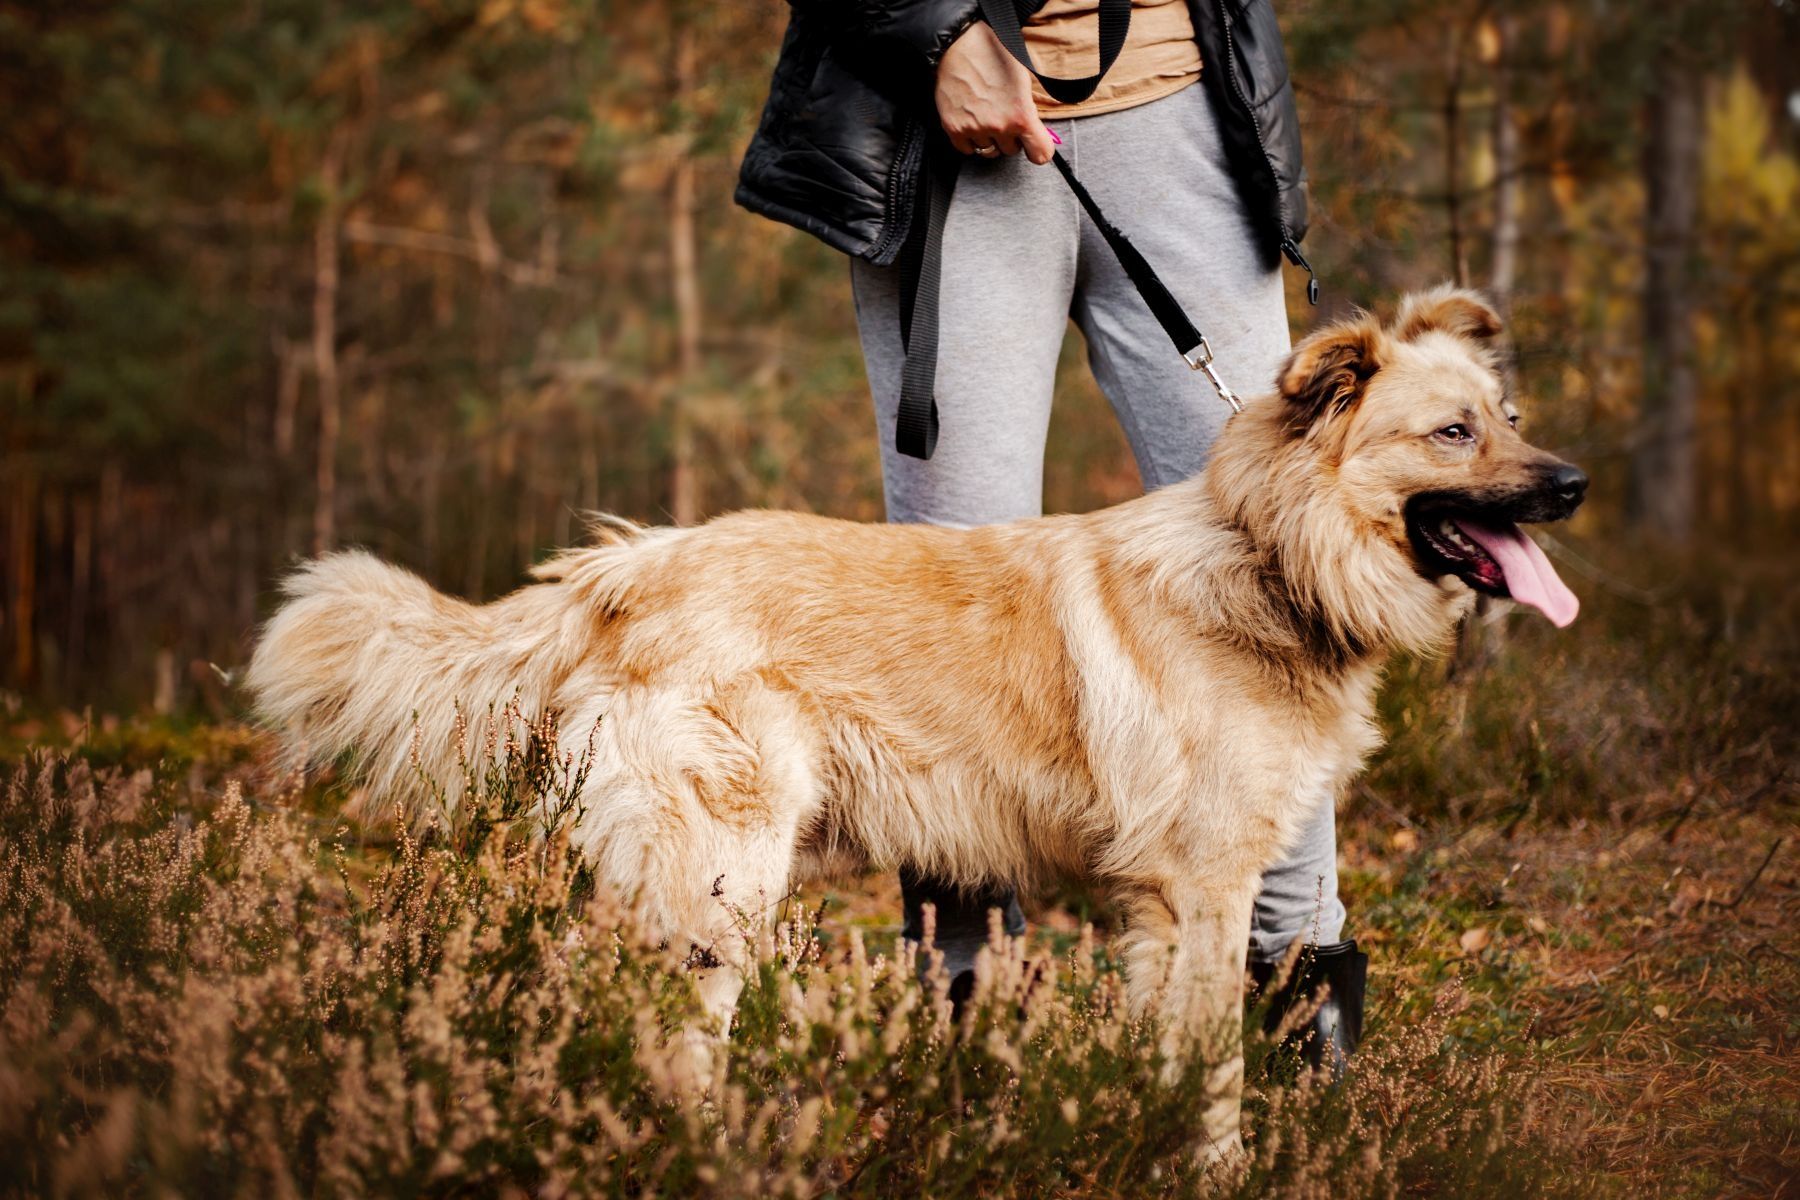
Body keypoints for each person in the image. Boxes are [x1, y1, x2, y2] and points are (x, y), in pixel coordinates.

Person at [737, 0, 1362, 1069]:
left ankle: (1297, 991)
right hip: (943, 120)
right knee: (952, 603)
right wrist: (938, 30)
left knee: (1284, 565)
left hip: (1185, 106)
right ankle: (969, 1012)